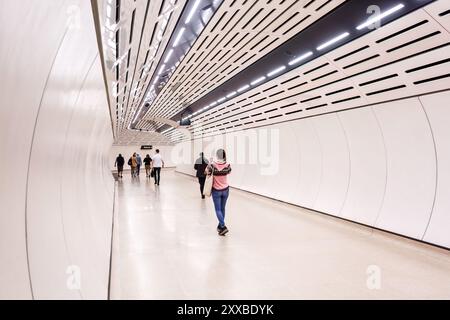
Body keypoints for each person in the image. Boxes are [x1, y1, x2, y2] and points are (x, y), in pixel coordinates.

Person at [206, 149, 231, 236]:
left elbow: (207, 172)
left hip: (216, 191)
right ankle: (220, 226)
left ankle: (223, 226)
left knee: (218, 209)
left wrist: (210, 162)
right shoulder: (227, 165)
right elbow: (229, 172)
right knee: (223, 209)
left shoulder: (212, 165)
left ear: (217, 155)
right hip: (226, 190)